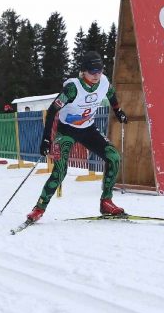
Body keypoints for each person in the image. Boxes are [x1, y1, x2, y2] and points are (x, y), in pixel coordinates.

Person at [26, 51, 128, 223]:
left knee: (113, 157)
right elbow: (52, 110)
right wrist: (46, 139)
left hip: (89, 129)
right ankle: (39, 208)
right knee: (60, 171)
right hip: (67, 131)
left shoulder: (103, 82)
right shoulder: (73, 88)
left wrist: (118, 111)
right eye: (92, 71)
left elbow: (111, 95)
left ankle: (106, 202)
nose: (96, 75)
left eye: (99, 70)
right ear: (83, 71)